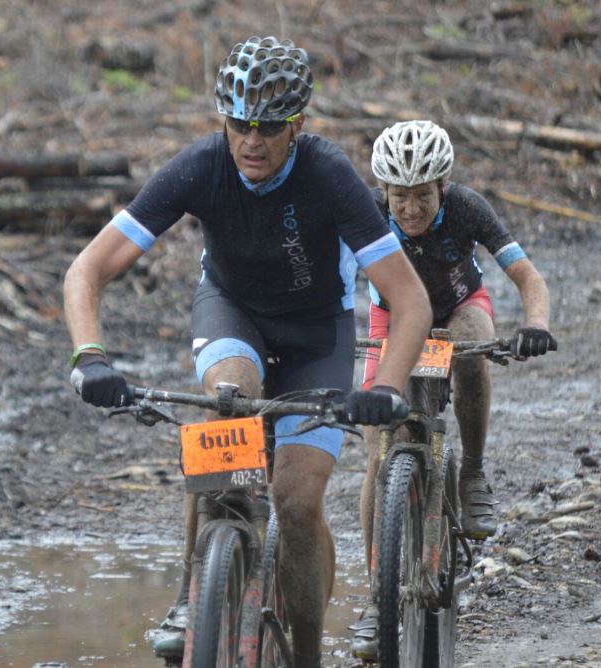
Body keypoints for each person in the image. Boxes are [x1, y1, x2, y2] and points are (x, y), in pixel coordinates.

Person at [61, 36, 432, 668]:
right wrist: (89, 356)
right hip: (232, 310)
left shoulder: (329, 175)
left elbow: (411, 300)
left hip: (318, 331)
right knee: (227, 396)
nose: (250, 141)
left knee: (295, 498)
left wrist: (387, 386)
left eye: (267, 126)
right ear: (224, 120)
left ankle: (307, 653)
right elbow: (87, 269)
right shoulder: (201, 166)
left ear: (298, 126)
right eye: (238, 124)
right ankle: (191, 591)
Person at [348, 119, 557, 660]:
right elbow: (324, 277)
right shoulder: (366, 211)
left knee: (474, 345)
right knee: (377, 451)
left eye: (422, 195)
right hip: (391, 318)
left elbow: (528, 277)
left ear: (442, 188)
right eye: (400, 197)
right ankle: (377, 599)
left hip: (460, 307)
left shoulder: (467, 208)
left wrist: (536, 323)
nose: (411, 209)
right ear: (384, 193)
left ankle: (472, 472)